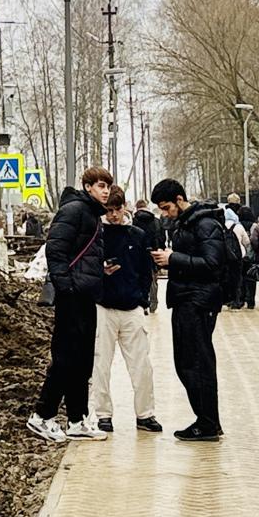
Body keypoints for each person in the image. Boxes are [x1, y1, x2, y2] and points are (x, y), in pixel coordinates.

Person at [28, 168, 111, 443]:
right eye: (101, 185)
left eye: (108, 186)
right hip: (73, 297)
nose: (106, 191)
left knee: (83, 360)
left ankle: (77, 419)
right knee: (65, 358)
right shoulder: (74, 210)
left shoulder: (92, 215)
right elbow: (55, 250)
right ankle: (42, 415)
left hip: (86, 296)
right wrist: (67, 287)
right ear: (88, 187)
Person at [150, 178, 229, 441]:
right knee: (187, 362)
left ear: (180, 200)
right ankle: (207, 420)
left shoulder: (205, 224)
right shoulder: (187, 223)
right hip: (188, 299)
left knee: (197, 363)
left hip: (199, 301)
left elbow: (212, 263)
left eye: (166, 207)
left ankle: (207, 423)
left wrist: (173, 259)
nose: (164, 214)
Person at [91, 184, 161, 434]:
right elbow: (88, 268)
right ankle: (103, 414)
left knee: (142, 364)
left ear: (124, 208)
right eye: (108, 210)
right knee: (101, 363)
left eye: (117, 209)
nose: (113, 215)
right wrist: (101, 272)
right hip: (104, 307)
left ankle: (145, 414)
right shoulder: (97, 235)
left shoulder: (137, 235)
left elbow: (145, 271)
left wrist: (143, 300)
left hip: (131, 307)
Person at [219, 196, 252, 309]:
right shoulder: (238, 226)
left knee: (227, 278)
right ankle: (238, 300)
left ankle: (226, 299)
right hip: (239, 256)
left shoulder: (221, 226)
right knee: (238, 279)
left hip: (225, 256)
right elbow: (247, 242)